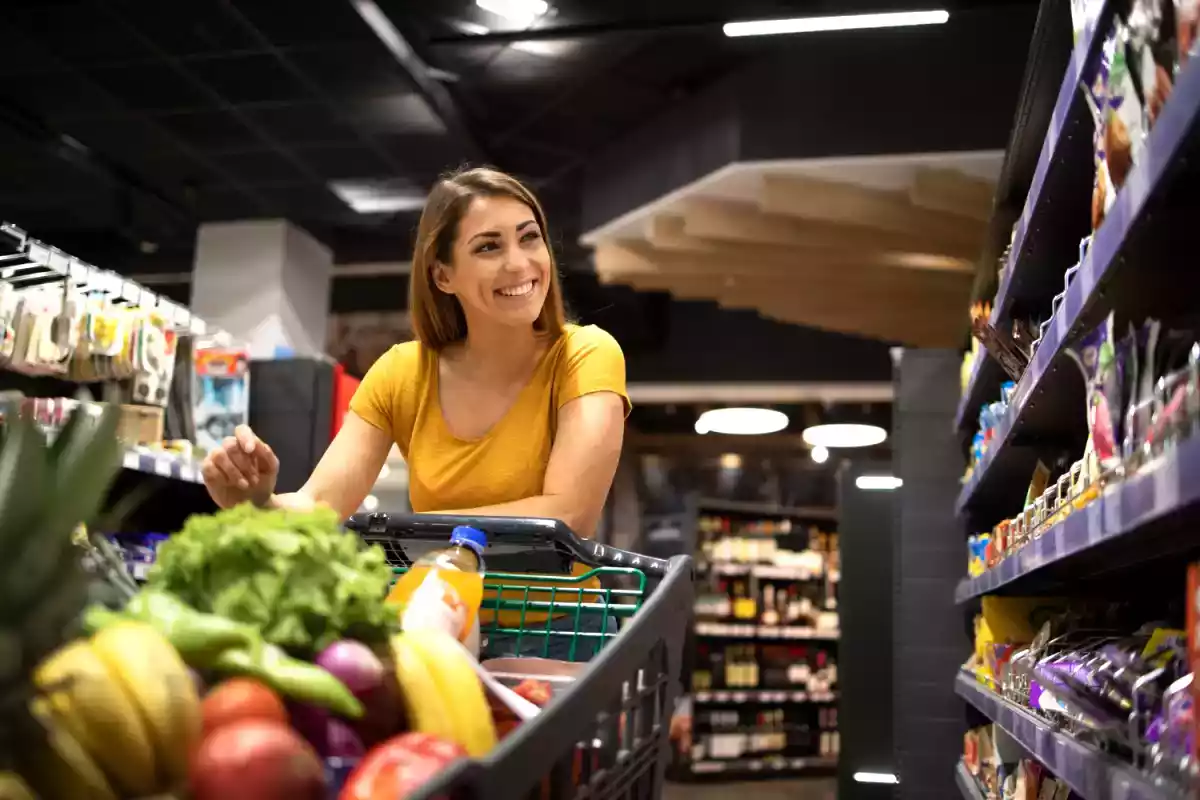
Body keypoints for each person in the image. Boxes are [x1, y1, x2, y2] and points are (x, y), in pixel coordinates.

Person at [200, 166, 630, 658]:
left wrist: (408, 532)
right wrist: (258, 501)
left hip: (562, 633)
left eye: (529, 238)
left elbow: (568, 515)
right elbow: (320, 504)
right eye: (489, 247)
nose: (519, 263)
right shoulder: (402, 373)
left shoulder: (585, 354)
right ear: (443, 275)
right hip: (437, 622)